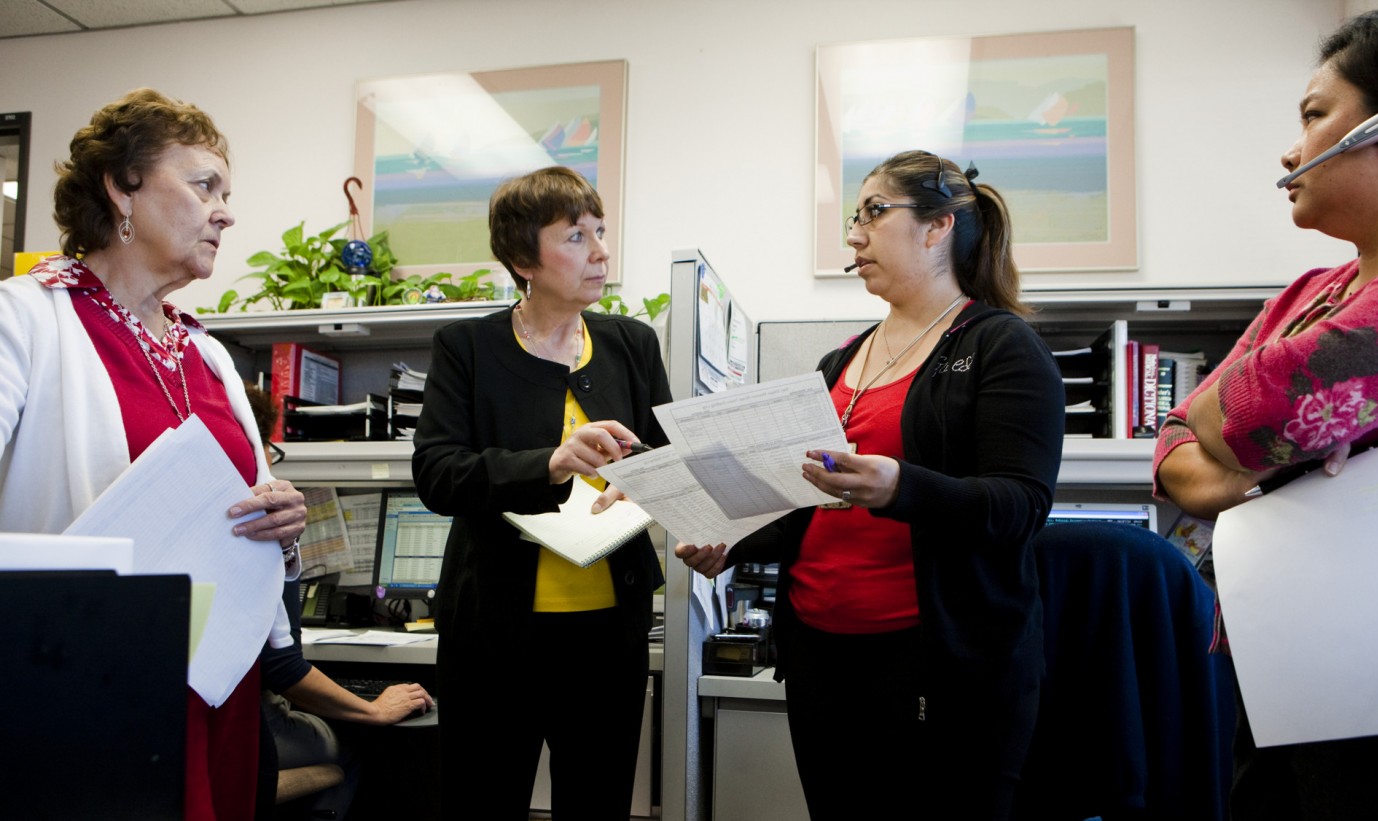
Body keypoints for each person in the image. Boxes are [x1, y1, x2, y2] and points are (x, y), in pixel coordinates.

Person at [676, 150, 1065, 818]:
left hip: (936, 665)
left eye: (874, 213)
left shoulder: (1000, 345)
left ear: (938, 226)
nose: (855, 235)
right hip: (822, 656)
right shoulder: (841, 360)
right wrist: (732, 540)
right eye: (853, 218)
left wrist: (902, 487)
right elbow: (809, 503)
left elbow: (1020, 504)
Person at [1153, 12, 1378, 819]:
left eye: (1315, 115)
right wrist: (1252, 432)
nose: (1292, 152)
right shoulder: (1309, 293)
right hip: (1293, 660)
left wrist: (1248, 425)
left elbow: (1264, 408)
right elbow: (1176, 443)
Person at [0, 88, 308, 820]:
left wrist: (282, 529)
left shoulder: (209, 352)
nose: (226, 211)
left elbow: (254, 506)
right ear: (121, 186)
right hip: (82, 679)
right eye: (204, 185)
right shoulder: (25, 318)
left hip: (217, 685)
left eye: (226, 193)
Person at [412, 166, 670, 819]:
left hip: (608, 634)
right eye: (577, 235)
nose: (601, 251)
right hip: (494, 634)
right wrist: (549, 463)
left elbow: (668, 462)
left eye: (601, 232)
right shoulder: (467, 347)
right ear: (524, 257)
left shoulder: (631, 344)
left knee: (599, 803)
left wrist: (643, 486)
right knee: (482, 801)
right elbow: (438, 472)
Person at [259, 579, 435, 818]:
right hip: (247, 730)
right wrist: (375, 710)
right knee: (355, 744)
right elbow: (283, 671)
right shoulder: (269, 553)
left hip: (203, 724)